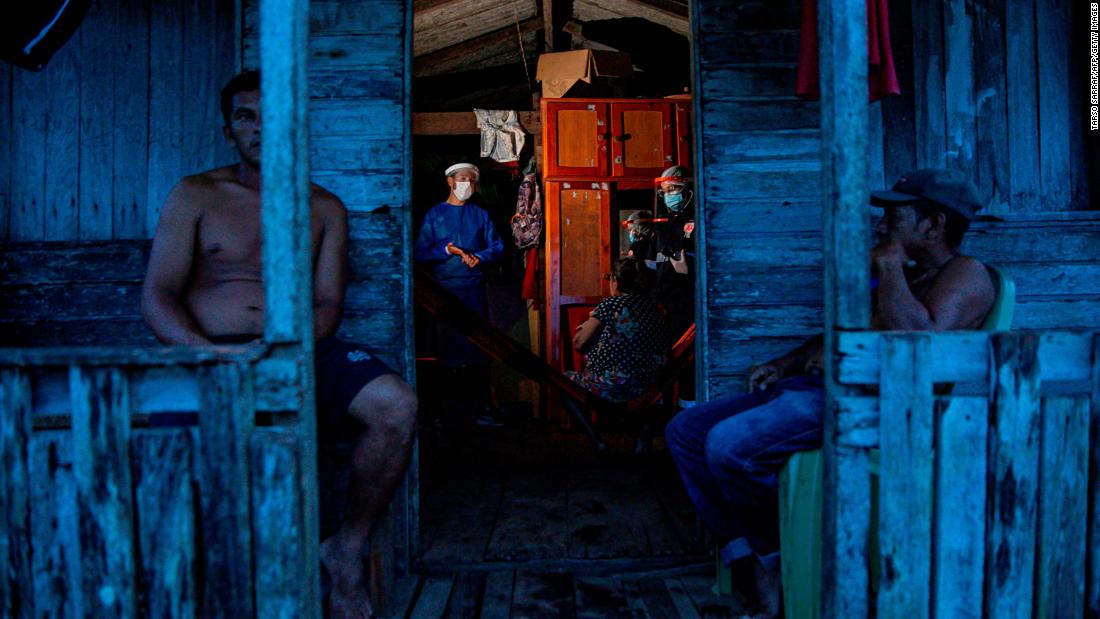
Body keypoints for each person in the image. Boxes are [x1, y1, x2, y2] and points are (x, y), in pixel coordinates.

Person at [141, 70, 416, 619]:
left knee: (397, 404)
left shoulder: (323, 207)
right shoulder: (196, 193)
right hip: (212, 353)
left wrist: (281, 355)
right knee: (179, 445)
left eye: (274, 115)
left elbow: (327, 307)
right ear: (228, 130)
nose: (261, 127)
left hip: (298, 350)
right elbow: (157, 296)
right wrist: (206, 353)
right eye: (246, 115)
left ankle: (346, 550)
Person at [665, 168, 996, 618]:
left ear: (934, 225)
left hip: (874, 405)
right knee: (686, 431)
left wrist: (891, 269)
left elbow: (919, 348)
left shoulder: (967, 274)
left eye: (894, 219)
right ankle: (750, 552)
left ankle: (775, 566)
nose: (881, 227)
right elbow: (841, 333)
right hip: (821, 389)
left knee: (729, 446)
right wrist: (784, 364)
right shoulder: (902, 274)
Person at [413, 163, 504, 426]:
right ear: (450, 182)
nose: (468, 185)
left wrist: (480, 257)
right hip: (444, 292)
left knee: (477, 348)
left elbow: (496, 246)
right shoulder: (435, 215)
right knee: (445, 351)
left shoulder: (480, 215)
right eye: (463, 179)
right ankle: (441, 413)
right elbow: (419, 253)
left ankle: (480, 412)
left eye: (472, 181)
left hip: (474, 291)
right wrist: (446, 251)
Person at [568, 257, 670, 403]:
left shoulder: (612, 304)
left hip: (614, 386)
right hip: (647, 388)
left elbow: (579, 343)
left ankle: (587, 427)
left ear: (615, 281)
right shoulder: (654, 309)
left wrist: (588, 325)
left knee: (566, 381)